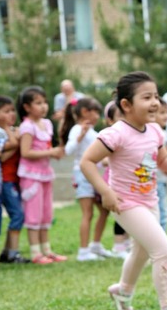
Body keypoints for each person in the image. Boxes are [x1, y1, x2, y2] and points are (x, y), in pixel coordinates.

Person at [80, 71, 167, 310]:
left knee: (141, 252)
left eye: (156, 96)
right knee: (163, 250)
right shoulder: (116, 133)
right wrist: (105, 191)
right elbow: (87, 161)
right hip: (125, 203)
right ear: (126, 105)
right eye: (146, 97)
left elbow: (163, 161)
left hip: (149, 201)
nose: (154, 102)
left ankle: (122, 290)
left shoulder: (154, 130)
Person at [60, 96, 116, 261]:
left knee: (104, 210)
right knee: (88, 213)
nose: (98, 116)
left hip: (93, 175)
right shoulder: (78, 129)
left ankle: (96, 245)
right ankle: (83, 251)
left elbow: (98, 158)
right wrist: (81, 135)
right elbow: (68, 151)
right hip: (81, 174)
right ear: (85, 112)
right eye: (96, 112)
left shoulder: (93, 132)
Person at [17, 86, 67, 264]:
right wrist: (51, 152)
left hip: (45, 174)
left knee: (46, 214)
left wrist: (54, 152)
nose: (44, 106)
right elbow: (26, 152)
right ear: (27, 107)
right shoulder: (27, 126)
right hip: (31, 176)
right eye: (38, 103)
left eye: (44, 102)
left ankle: (47, 250)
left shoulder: (46, 124)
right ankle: (36, 253)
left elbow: (46, 148)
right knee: (33, 214)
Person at [0, 97, 29, 264]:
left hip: (14, 181)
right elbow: (2, 156)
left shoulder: (12, 131)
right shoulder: (1, 133)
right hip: (5, 181)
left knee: (17, 215)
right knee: (17, 215)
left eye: (12, 110)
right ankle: (12, 254)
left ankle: (7, 252)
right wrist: (14, 138)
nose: (11, 114)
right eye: (5, 111)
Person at [103, 101, 132, 259]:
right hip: (115, 183)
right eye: (120, 116)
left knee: (129, 214)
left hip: (129, 183)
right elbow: (103, 160)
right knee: (120, 214)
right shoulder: (111, 136)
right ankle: (118, 245)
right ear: (110, 120)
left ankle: (126, 243)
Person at [155, 98, 167, 232]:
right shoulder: (157, 133)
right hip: (156, 179)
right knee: (162, 212)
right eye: (162, 113)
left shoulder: (165, 133)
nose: (166, 116)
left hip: (162, 178)